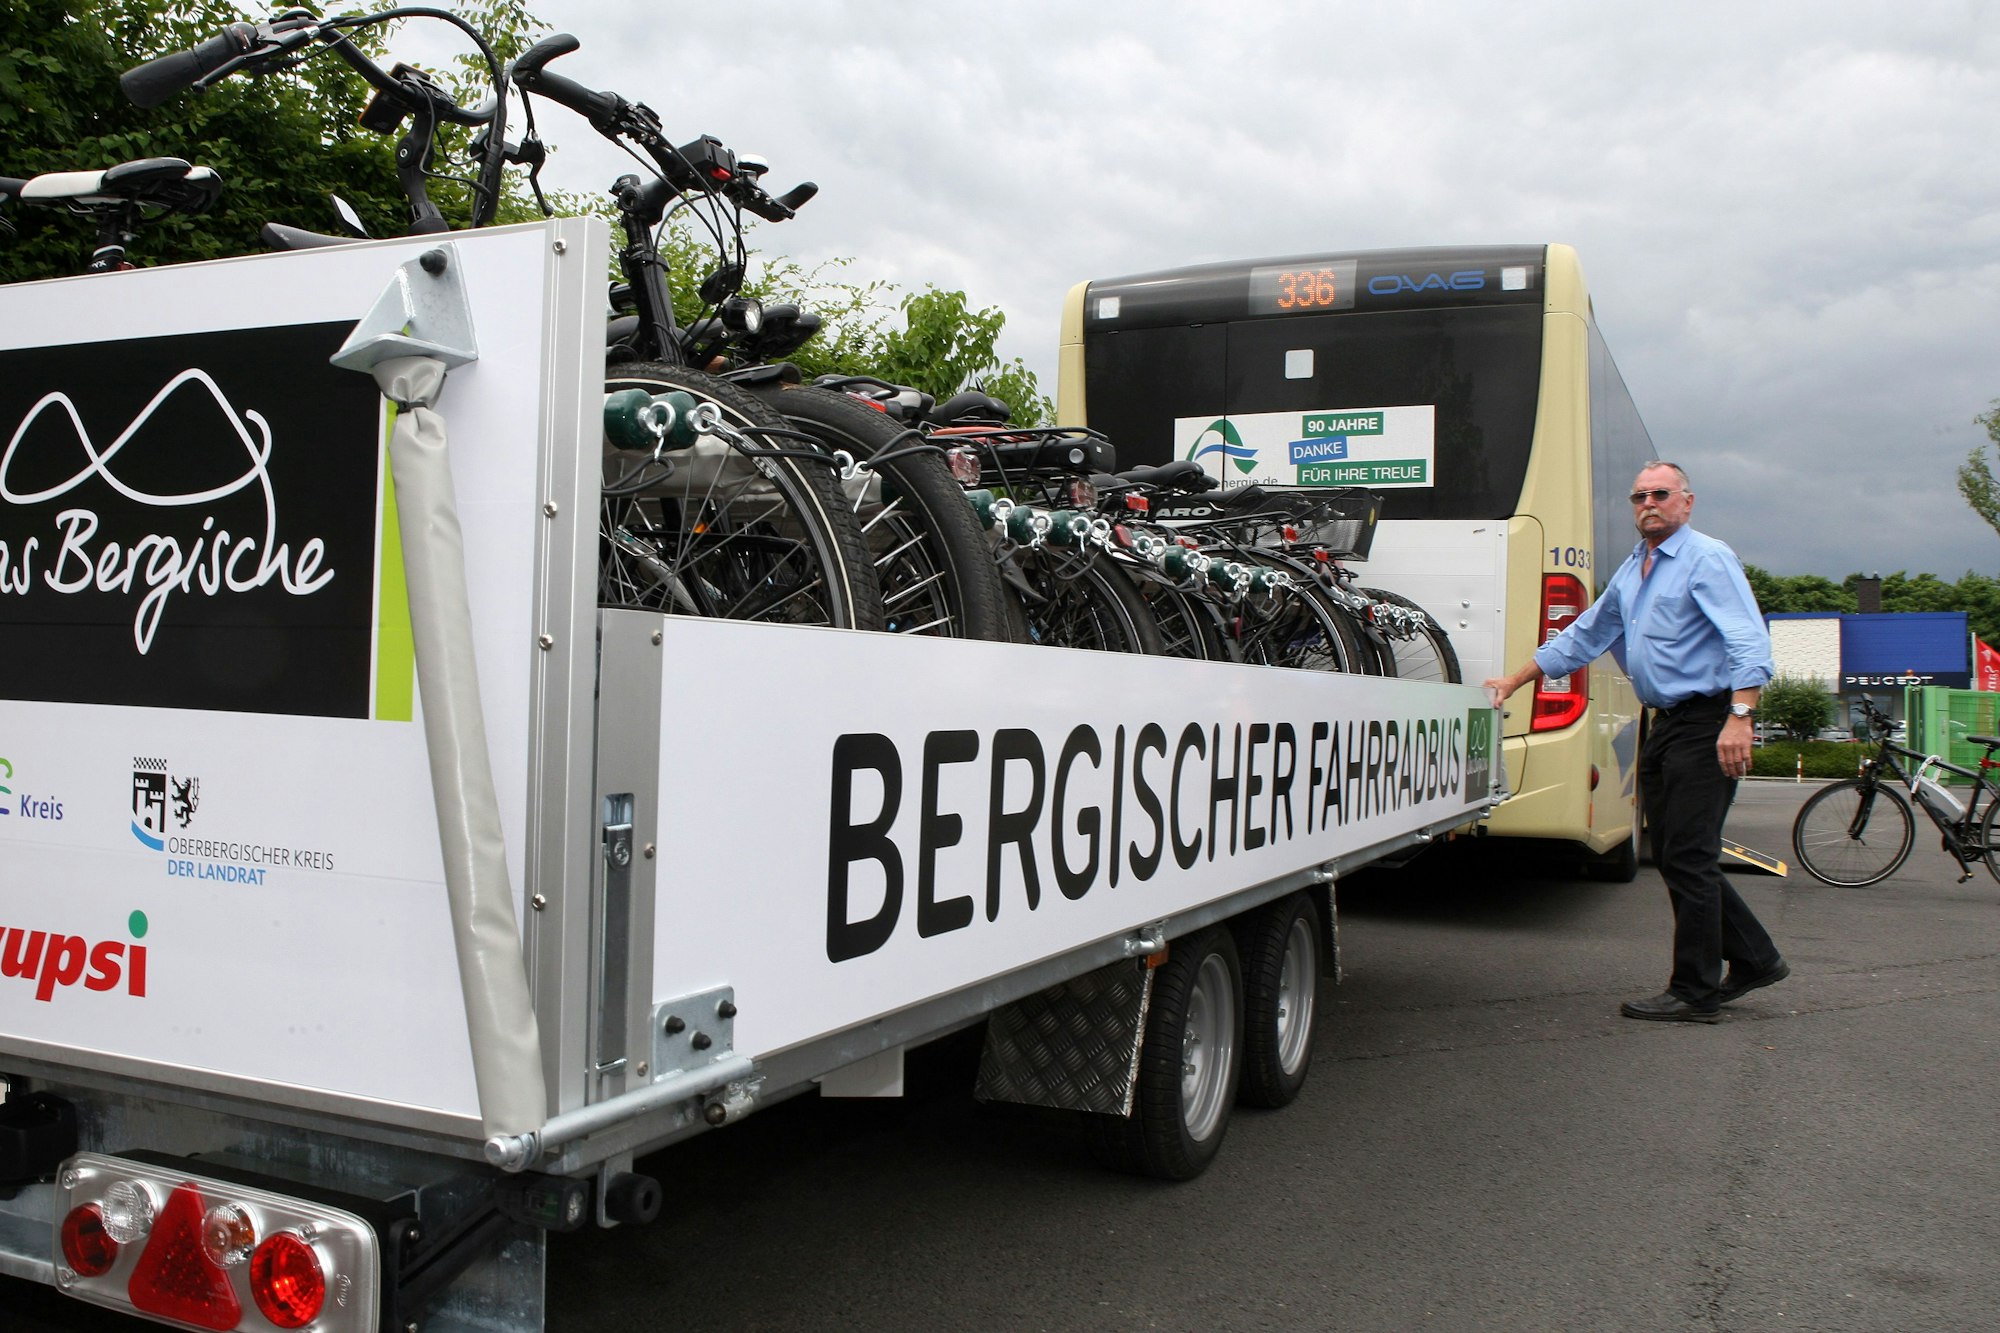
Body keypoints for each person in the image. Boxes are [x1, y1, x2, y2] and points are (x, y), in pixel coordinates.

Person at [1484, 461, 1789, 1023]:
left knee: (1691, 856)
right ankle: (1756, 957)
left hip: (1709, 719)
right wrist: (1514, 679)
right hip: (1667, 723)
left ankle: (1695, 992)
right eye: (1639, 496)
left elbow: (1748, 641)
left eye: (1661, 494)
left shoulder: (1707, 558)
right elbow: (1585, 635)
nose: (1649, 503)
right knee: (1677, 854)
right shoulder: (1635, 568)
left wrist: (1740, 717)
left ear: (1686, 502)